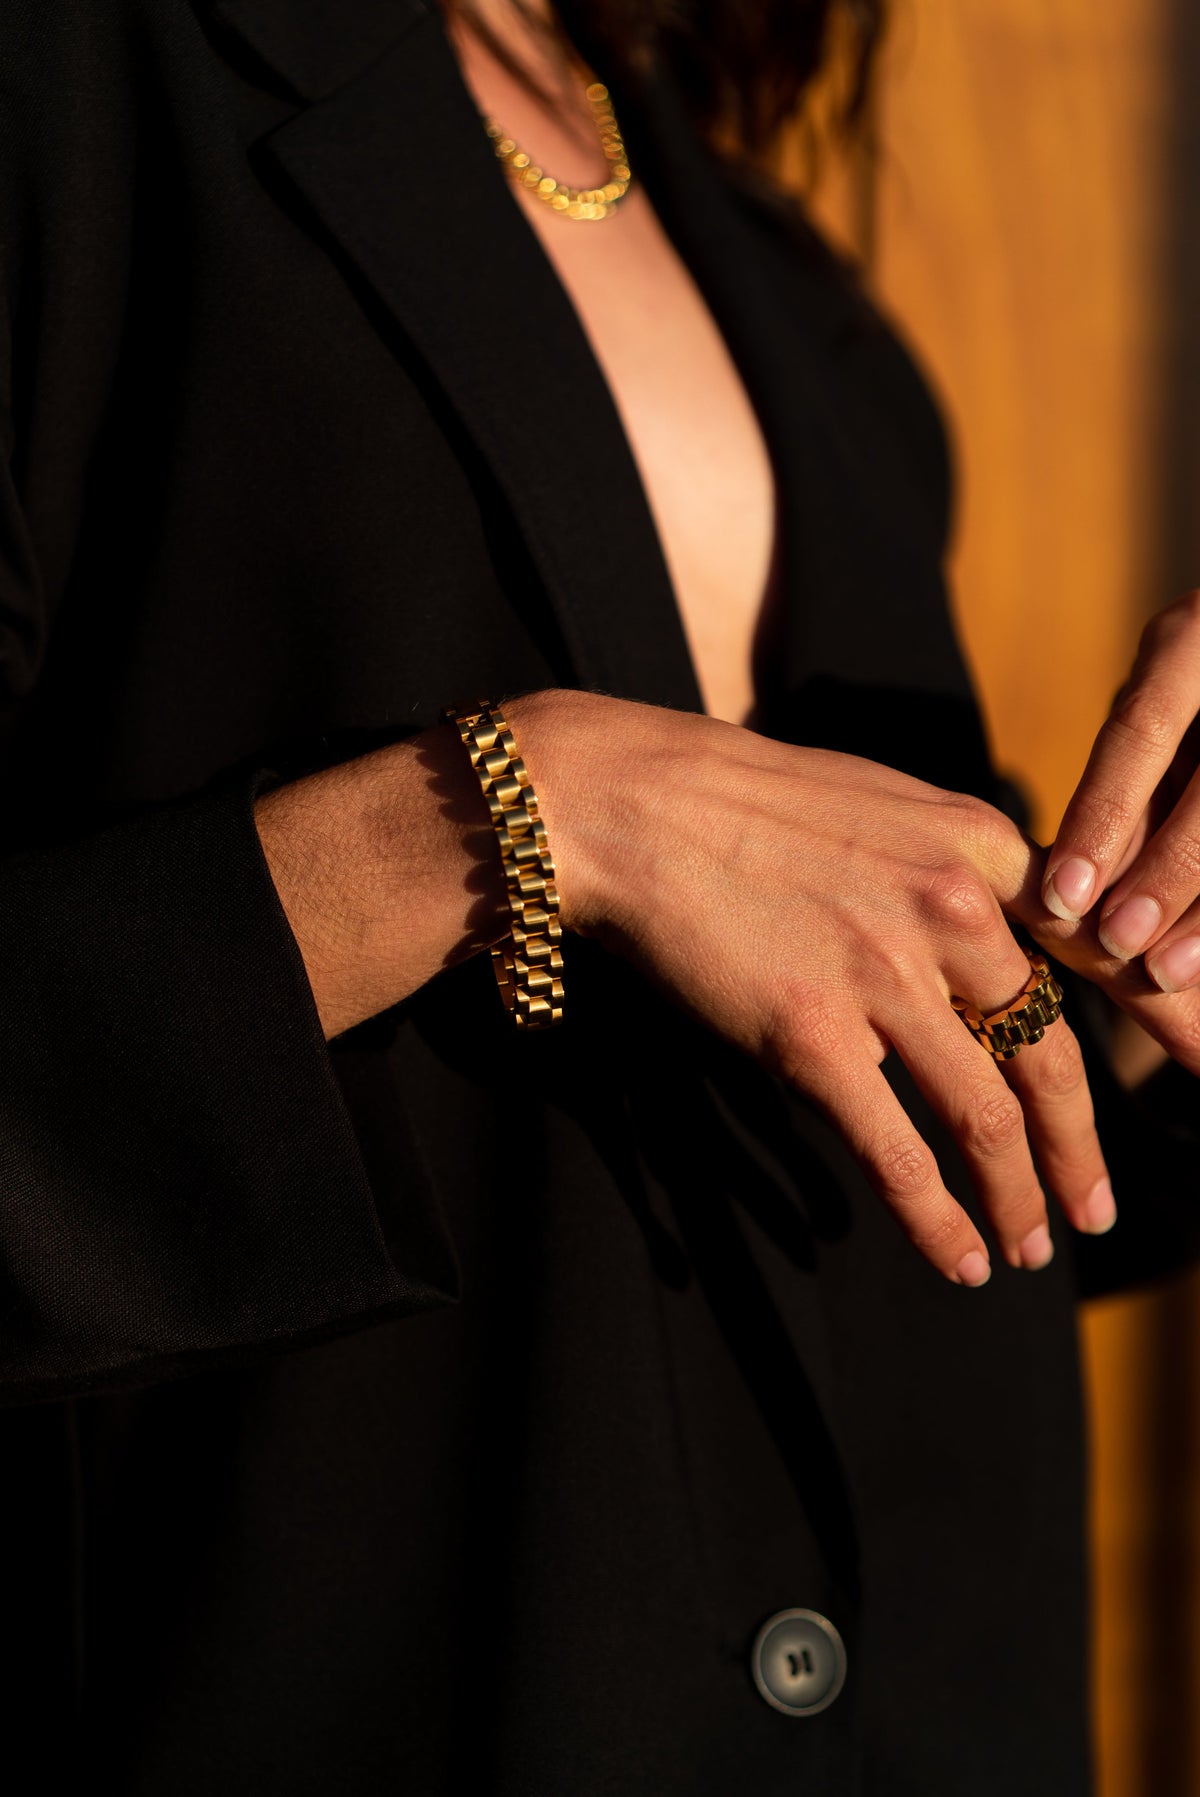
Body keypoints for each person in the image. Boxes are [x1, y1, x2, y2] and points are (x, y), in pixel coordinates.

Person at [1, 0, 1198, 1790]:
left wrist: (1154, 954)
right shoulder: (74, 94)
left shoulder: (802, 307)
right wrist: (538, 811)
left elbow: (920, 1180)